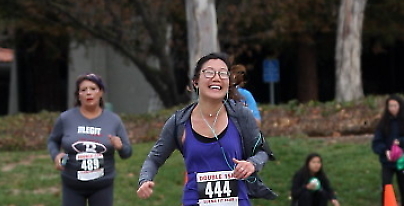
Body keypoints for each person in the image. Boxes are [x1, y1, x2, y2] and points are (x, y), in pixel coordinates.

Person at [137, 52, 276, 205]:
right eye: (209, 72)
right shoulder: (179, 122)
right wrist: (145, 180)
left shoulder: (241, 115)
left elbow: (263, 151)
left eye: (223, 73)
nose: (216, 77)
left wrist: (251, 164)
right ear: (195, 82)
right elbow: (154, 159)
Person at [47, 72, 132, 206]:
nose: (88, 93)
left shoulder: (113, 120)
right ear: (78, 95)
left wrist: (120, 147)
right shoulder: (66, 118)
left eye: (93, 89)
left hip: (102, 185)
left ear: (101, 92)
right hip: (72, 184)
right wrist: (55, 155)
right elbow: (53, 140)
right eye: (83, 90)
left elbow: (127, 153)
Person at [372, 94, 404, 203]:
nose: (393, 109)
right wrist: (385, 151)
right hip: (387, 162)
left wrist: (400, 141)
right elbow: (376, 142)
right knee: (386, 185)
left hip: (402, 161)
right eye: (390, 106)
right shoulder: (383, 124)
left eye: (395, 106)